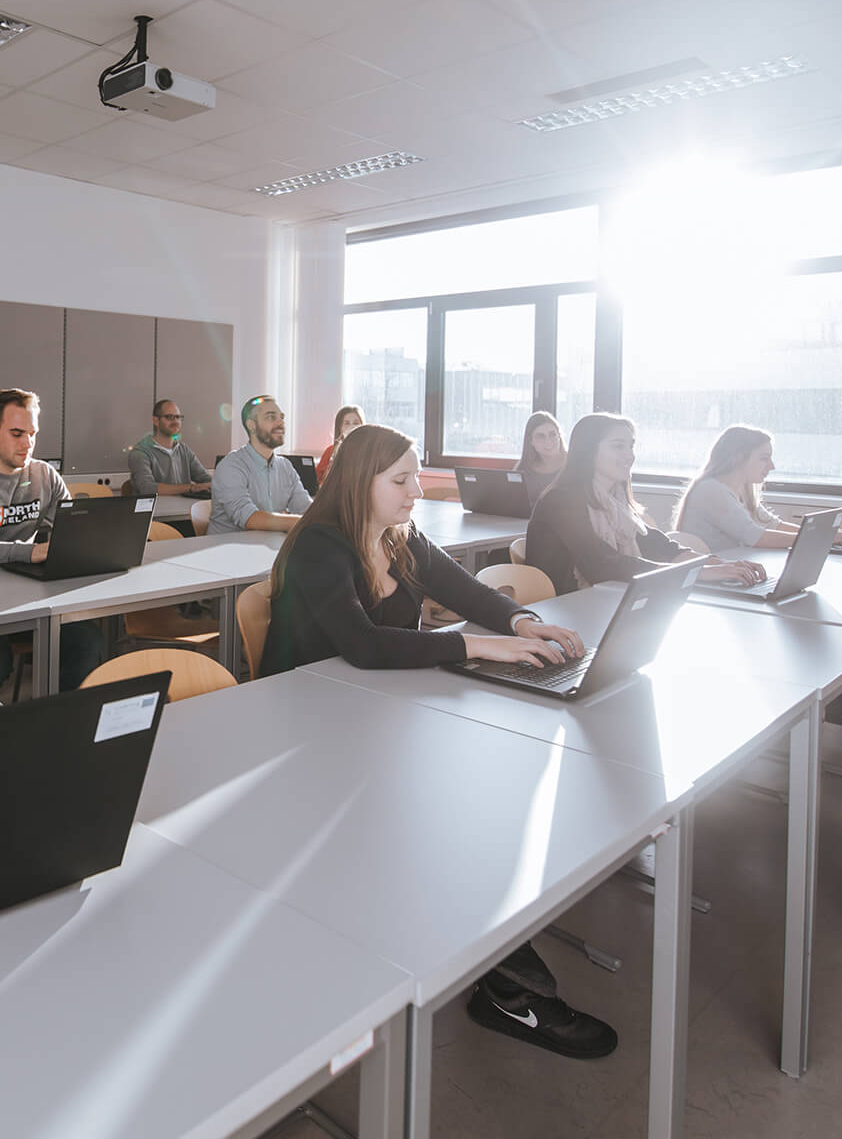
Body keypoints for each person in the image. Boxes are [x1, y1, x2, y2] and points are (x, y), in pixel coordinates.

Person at [259, 422, 615, 1059]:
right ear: (355, 483)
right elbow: (364, 646)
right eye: (400, 480)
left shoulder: (399, 537)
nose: (415, 491)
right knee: (452, 825)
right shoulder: (320, 545)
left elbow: (463, 588)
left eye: (417, 476)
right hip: (304, 738)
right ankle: (511, 988)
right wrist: (480, 643)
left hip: (374, 720)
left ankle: (499, 975)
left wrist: (522, 619)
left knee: (474, 805)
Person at [0, 387, 102, 691]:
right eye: (16, 433)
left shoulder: (45, 476)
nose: (28, 444)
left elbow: (72, 531)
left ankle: (57, 726)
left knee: (86, 641)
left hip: (23, 595)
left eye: (32, 434)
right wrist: (29, 552)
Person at [527, 413, 766, 597]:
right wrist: (698, 573)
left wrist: (718, 564)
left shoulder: (614, 499)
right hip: (565, 610)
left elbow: (657, 544)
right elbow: (601, 563)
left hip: (604, 600)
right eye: (618, 446)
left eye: (631, 446)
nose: (630, 455)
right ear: (588, 451)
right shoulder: (561, 500)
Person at [676, 425, 842, 553]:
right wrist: (822, 539)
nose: (771, 466)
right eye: (764, 458)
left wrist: (826, 534)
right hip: (716, 581)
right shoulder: (711, 490)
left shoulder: (742, 489)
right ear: (738, 458)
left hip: (738, 568)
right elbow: (755, 537)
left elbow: (774, 525)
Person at [210, 395, 311, 534]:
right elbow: (249, 519)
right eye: (271, 417)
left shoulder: (285, 467)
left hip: (268, 548)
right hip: (227, 551)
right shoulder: (230, 466)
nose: (280, 423)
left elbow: (306, 508)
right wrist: (301, 521)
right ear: (251, 425)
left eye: (281, 417)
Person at [125, 399, 211, 497]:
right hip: (156, 511)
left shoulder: (183, 449)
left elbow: (205, 478)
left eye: (178, 417)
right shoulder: (139, 453)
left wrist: (214, 484)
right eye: (169, 417)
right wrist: (191, 488)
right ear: (156, 421)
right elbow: (147, 488)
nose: (175, 421)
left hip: (183, 509)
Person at [517, 411, 567, 506]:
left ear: (559, 436)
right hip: (529, 519)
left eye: (553, 434)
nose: (548, 441)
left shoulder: (572, 463)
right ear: (531, 441)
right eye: (541, 436)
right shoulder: (524, 465)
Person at [317, 404, 363, 477]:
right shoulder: (330, 451)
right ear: (340, 427)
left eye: (356, 423)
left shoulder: (368, 452)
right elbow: (319, 481)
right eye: (346, 423)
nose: (352, 427)